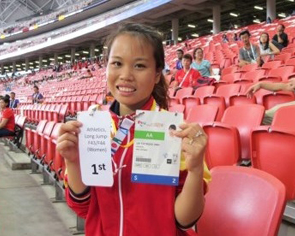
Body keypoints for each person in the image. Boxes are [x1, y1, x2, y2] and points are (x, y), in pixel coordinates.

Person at [57, 23, 209, 236]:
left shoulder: (174, 134)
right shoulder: (93, 127)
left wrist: (195, 172)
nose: (126, 75)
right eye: (117, 63)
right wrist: (73, 162)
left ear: (157, 74)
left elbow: (184, 221)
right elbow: (83, 207)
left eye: (139, 66)